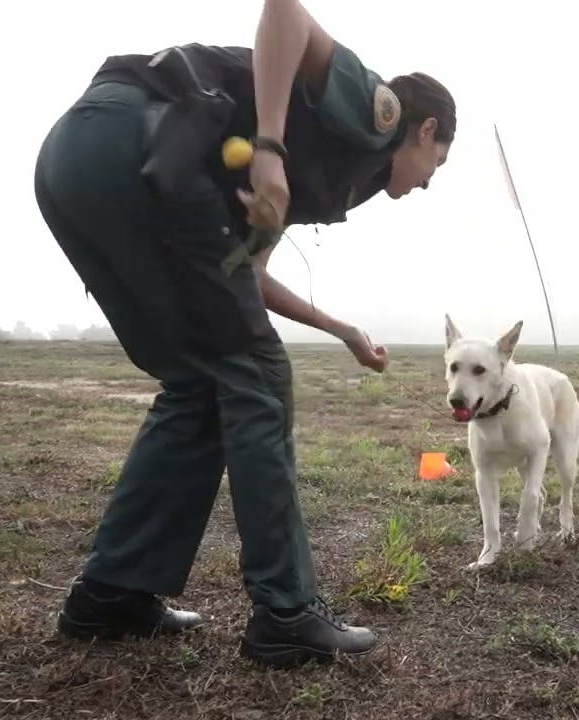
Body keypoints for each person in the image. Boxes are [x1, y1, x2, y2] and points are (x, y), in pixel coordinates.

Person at [31, 0, 455, 669]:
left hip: (79, 163)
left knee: (203, 377)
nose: (429, 182)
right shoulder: (382, 116)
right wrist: (269, 150)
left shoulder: (328, 180)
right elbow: (283, 10)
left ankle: (111, 593)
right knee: (256, 374)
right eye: (438, 162)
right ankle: (287, 613)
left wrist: (340, 328)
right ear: (426, 130)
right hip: (137, 141)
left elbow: (243, 279)